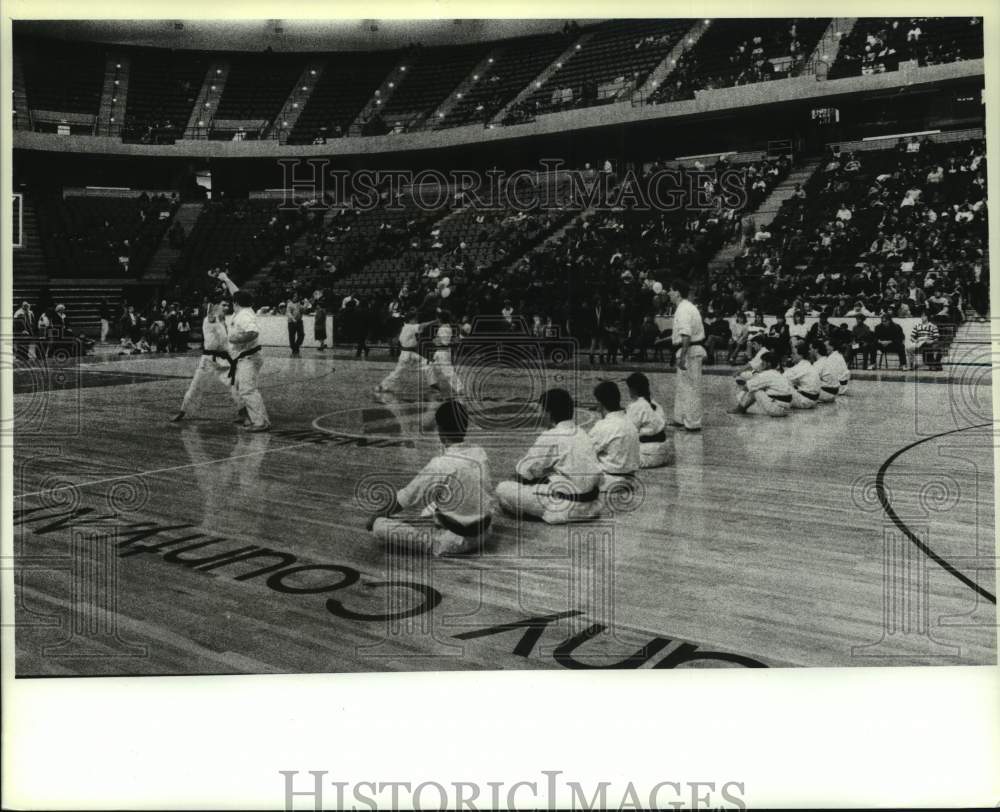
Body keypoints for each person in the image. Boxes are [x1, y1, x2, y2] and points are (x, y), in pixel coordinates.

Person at [367, 400, 493, 556]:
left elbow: (405, 498)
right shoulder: (479, 452)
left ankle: (439, 539)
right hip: (486, 533)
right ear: (465, 427)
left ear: (440, 430)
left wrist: (375, 516)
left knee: (379, 526)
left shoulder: (439, 464)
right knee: (436, 503)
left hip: (454, 541)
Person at [495, 388, 603, 524]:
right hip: (592, 505)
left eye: (541, 411)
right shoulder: (582, 433)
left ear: (549, 413)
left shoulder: (550, 436)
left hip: (567, 507)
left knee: (503, 488)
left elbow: (522, 473)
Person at [171, 298, 243, 423]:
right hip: (209, 360)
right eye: (223, 305)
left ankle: (244, 414)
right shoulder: (210, 319)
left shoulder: (226, 322)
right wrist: (212, 309)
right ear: (216, 306)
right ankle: (182, 411)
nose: (226, 307)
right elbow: (210, 313)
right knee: (196, 385)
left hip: (225, 360)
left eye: (227, 305)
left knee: (236, 384)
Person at [219, 272, 270, 431]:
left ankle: (261, 422)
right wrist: (227, 279)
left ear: (236, 303)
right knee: (237, 387)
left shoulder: (245, 316)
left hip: (249, 358)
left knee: (248, 389)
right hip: (243, 358)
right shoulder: (242, 310)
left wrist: (236, 339)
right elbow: (236, 293)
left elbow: (253, 332)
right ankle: (247, 416)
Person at [588, 381, 640, 491]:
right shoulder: (630, 422)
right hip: (631, 478)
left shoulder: (603, 426)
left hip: (609, 480)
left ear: (600, 405)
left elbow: (585, 452)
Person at [668, 280, 706, 431]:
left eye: (670, 290)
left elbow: (686, 335)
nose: (669, 293)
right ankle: (680, 418)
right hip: (688, 349)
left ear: (677, 292)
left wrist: (683, 357)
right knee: (683, 386)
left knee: (691, 388)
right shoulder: (686, 307)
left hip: (689, 351)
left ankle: (693, 423)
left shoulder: (684, 309)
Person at [376, 309, 437, 394]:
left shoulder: (405, 327)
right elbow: (423, 325)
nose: (416, 320)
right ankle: (382, 385)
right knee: (398, 372)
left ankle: (433, 383)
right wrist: (435, 321)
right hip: (407, 354)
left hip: (409, 353)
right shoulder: (410, 327)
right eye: (415, 319)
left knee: (427, 363)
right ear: (411, 319)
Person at [625, 371, 671, 468]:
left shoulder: (636, 406)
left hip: (647, 455)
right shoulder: (656, 405)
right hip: (664, 452)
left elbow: (629, 431)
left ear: (632, 390)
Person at [730, 352, 793, 417]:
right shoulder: (778, 373)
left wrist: (744, 383)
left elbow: (747, 387)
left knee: (753, 389)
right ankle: (740, 408)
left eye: (763, 362)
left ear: (768, 364)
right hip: (787, 410)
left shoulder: (765, 374)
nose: (761, 364)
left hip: (776, 410)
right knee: (757, 386)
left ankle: (739, 409)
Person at [429, 309, 464, 396]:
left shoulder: (444, 328)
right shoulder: (444, 327)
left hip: (443, 352)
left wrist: (436, 341)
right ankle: (433, 383)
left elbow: (445, 343)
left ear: (440, 319)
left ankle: (459, 389)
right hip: (440, 352)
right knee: (431, 367)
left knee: (448, 371)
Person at [783, 340, 821, 409]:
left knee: (780, 385)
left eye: (794, 354)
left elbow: (782, 378)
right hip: (813, 400)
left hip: (806, 400)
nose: (791, 355)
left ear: (801, 355)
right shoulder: (807, 364)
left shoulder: (800, 366)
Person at [286, 291, 305, 356]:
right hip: (291, 322)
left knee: (302, 335)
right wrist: (293, 319)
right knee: (292, 336)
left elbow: (303, 310)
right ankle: (294, 349)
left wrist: (306, 304)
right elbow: (288, 313)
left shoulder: (299, 303)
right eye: (294, 296)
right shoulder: (289, 304)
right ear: (292, 297)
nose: (296, 297)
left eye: (296, 296)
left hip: (299, 321)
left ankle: (295, 347)